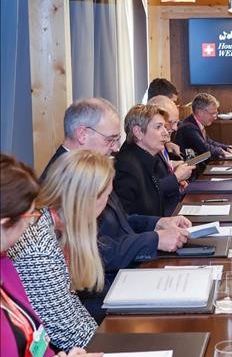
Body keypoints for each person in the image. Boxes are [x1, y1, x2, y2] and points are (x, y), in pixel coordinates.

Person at [40, 98, 191, 301]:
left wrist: (157, 223)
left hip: (122, 277)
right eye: (110, 139)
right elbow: (88, 251)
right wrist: (153, 240)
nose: (116, 147)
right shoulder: (62, 176)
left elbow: (119, 219)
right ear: (83, 134)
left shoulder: (94, 166)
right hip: (100, 292)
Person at [1, 154, 103, 357]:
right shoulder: (34, 249)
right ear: (4, 223)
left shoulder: (6, 266)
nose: (32, 226)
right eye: (29, 217)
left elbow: (33, 337)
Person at [149, 96, 194, 215]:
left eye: (177, 123)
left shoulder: (162, 143)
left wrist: (177, 181)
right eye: (171, 123)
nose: (175, 128)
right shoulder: (147, 148)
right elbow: (149, 192)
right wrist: (176, 177)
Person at [175, 92, 232, 159]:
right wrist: (220, 151)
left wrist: (229, 147)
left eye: (216, 113)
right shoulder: (188, 127)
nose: (215, 117)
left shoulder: (196, 123)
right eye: (212, 113)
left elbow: (209, 142)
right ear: (200, 112)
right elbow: (204, 148)